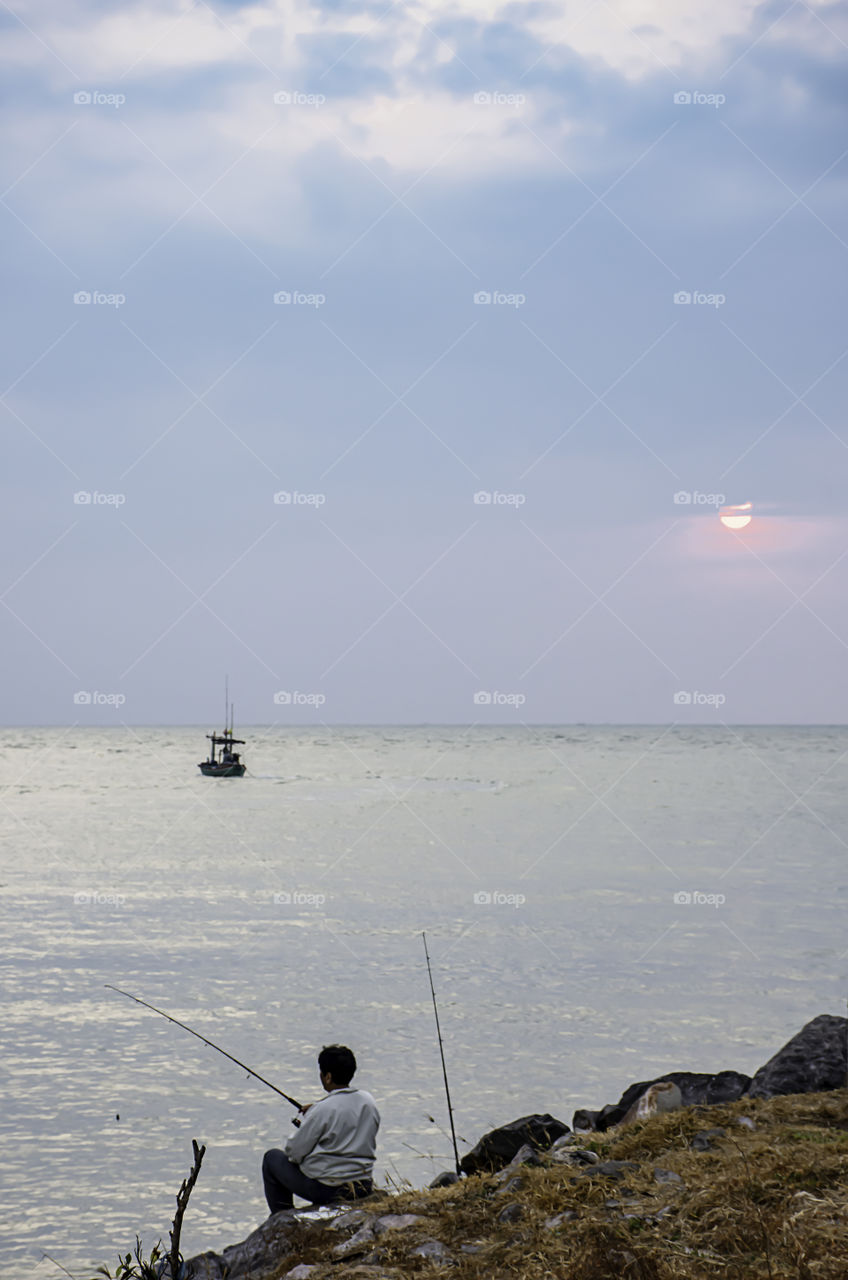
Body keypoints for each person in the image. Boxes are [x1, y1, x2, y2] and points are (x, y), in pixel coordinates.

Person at [262, 1044, 380, 1212]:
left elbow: (294, 1153)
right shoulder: (369, 1101)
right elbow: (347, 1121)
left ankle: (282, 1217)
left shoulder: (322, 1110)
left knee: (271, 1158)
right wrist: (317, 1110)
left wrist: (313, 1116)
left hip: (328, 1190)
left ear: (328, 1077)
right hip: (362, 1185)